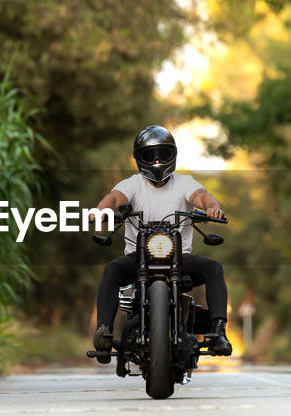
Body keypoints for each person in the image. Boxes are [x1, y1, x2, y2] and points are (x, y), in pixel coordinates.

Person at [91, 124, 231, 361]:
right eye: (150, 156)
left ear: (172, 156)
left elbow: (202, 197)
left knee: (214, 268)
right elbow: (113, 198)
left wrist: (212, 208)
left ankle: (219, 332)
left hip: (179, 257)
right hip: (138, 257)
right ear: (140, 158)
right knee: (112, 269)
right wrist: (100, 211)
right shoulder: (133, 184)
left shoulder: (185, 183)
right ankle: (103, 331)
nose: (157, 162)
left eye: (162, 155)